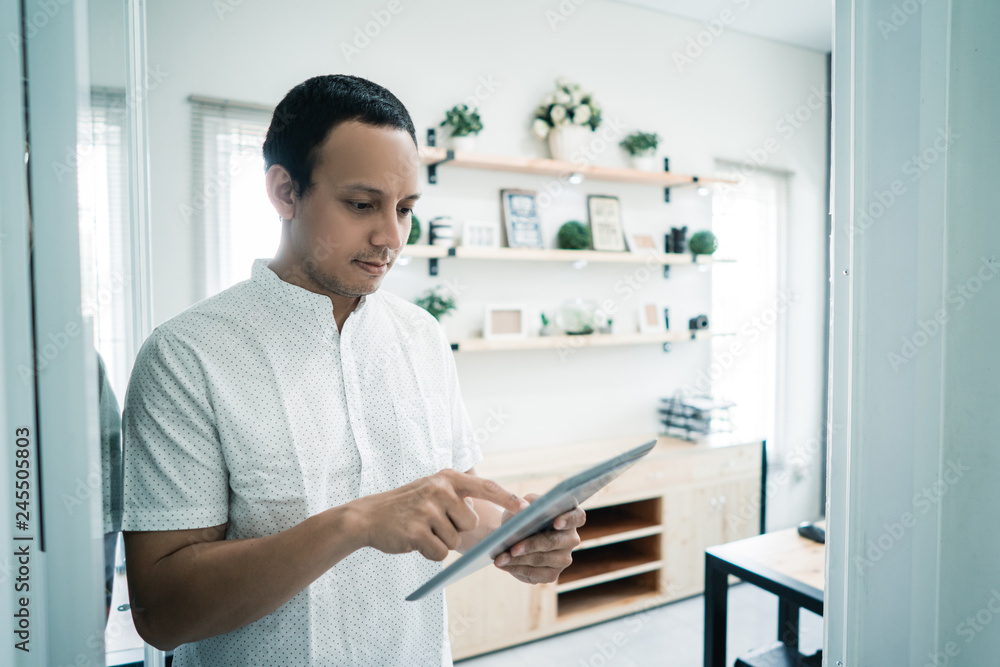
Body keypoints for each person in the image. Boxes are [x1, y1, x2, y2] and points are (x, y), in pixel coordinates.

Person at [120, 74, 584, 666]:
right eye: (362, 205)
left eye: (406, 209)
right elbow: (162, 613)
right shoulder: (186, 356)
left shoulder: (421, 335)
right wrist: (357, 522)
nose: (391, 237)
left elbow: (456, 516)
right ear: (285, 192)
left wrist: (517, 536)